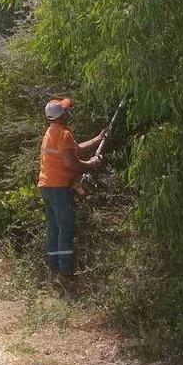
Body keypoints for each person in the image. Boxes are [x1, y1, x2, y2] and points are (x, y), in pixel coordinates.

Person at [38, 98, 105, 284]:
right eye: (66, 110)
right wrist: (90, 164)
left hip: (47, 186)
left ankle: (54, 270)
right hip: (58, 188)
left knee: (54, 228)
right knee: (65, 228)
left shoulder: (52, 131)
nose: (69, 112)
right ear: (61, 115)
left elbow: (76, 149)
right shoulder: (63, 134)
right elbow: (71, 162)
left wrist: (98, 138)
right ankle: (65, 274)